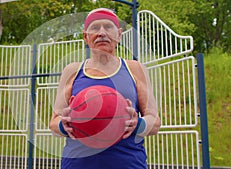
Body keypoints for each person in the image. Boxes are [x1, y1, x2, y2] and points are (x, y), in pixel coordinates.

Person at [49, 8, 161, 169]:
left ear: (119, 34)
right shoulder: (72, 71)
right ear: (85, 37)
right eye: (95, 28)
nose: (102, 33)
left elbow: (154, 122)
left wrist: (137, 124)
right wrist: (63, 124)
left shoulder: (135, 69)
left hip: (127, 163)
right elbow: (54, 123)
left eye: (108, 27)